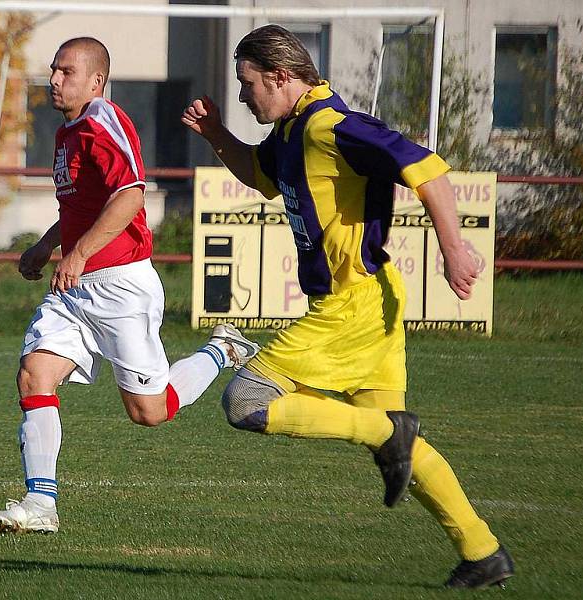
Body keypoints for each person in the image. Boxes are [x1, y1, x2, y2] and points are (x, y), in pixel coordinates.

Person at [182, 24, 514, 589]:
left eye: (248, 83)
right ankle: (482, 551)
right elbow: (260, 177)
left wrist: (454, 248)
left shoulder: (329, 125)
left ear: (282, 76)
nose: (243, 95)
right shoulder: (291, 131)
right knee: (397, 441)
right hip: (368, 304)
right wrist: (216, 133)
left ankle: (389, 433)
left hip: (352, 304)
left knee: (247, 400)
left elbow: (427, 170)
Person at [0, 37, 259, 534]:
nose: (54, 79)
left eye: (67, 71)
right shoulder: (66, 132)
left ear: (96, 81)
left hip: (119, 286)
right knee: (34, 377)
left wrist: (80, 253)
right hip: (75, 287)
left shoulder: (102, 121)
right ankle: (41, 505)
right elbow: (81, 209)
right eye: (53, 69)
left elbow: (130, 196)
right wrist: (48, 245)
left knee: (149, 413)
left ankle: (222, 351)